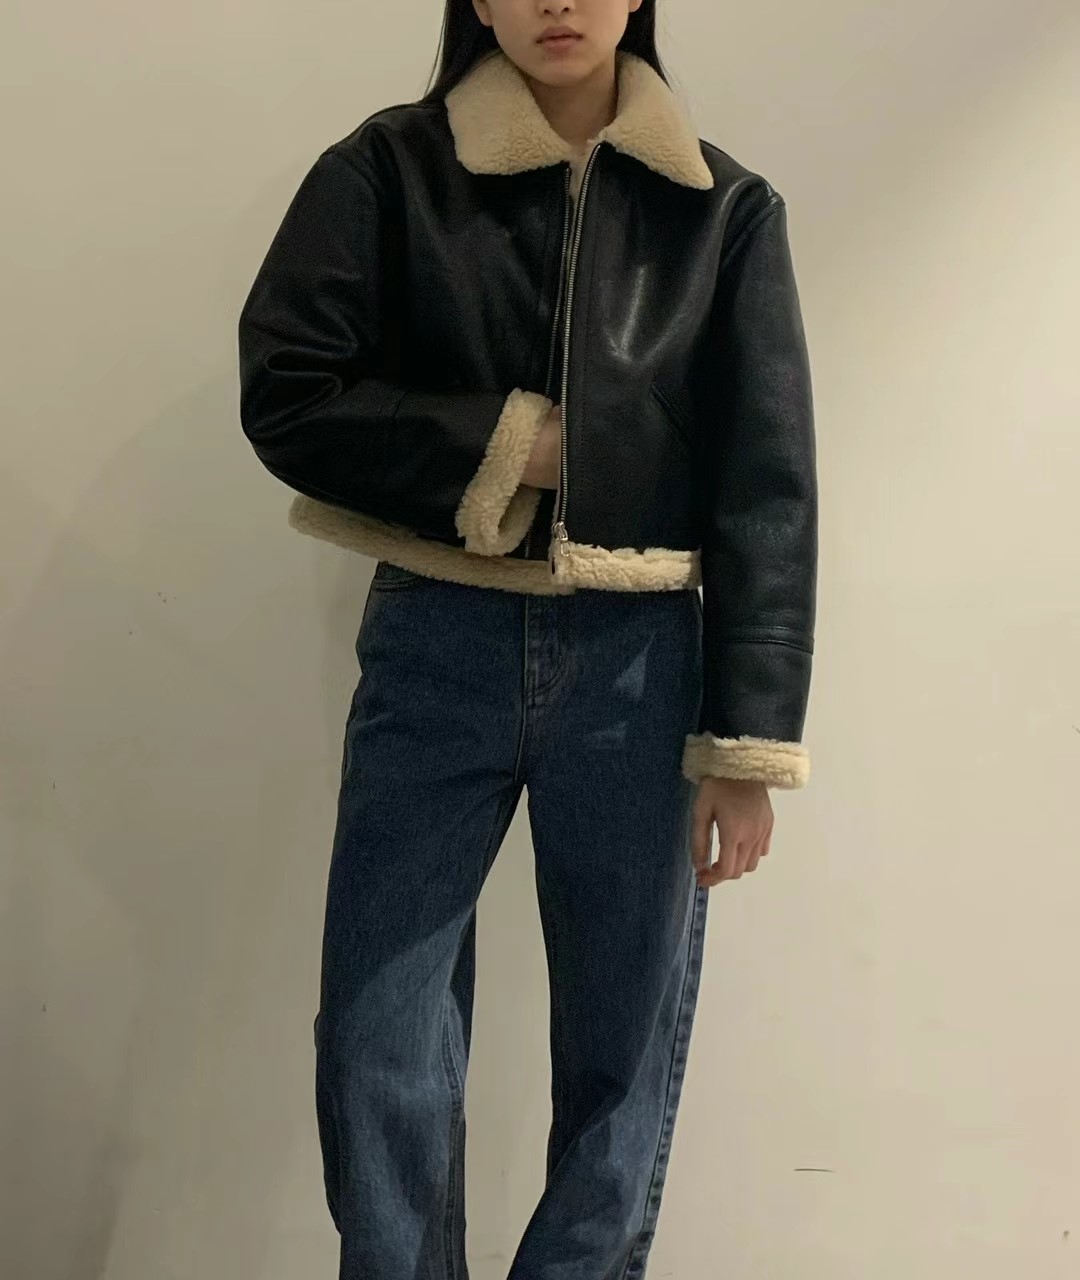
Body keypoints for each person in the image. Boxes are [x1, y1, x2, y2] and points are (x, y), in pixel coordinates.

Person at [236, 0, 817, 1274]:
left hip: (644, 662)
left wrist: (748, 742)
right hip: (437, 634)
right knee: (377, 1031)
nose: (558, 0)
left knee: (623, 1041)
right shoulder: (389, 170)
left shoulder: (723, 209)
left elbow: (766, 485)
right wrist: (518, 445)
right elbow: (289, 389)